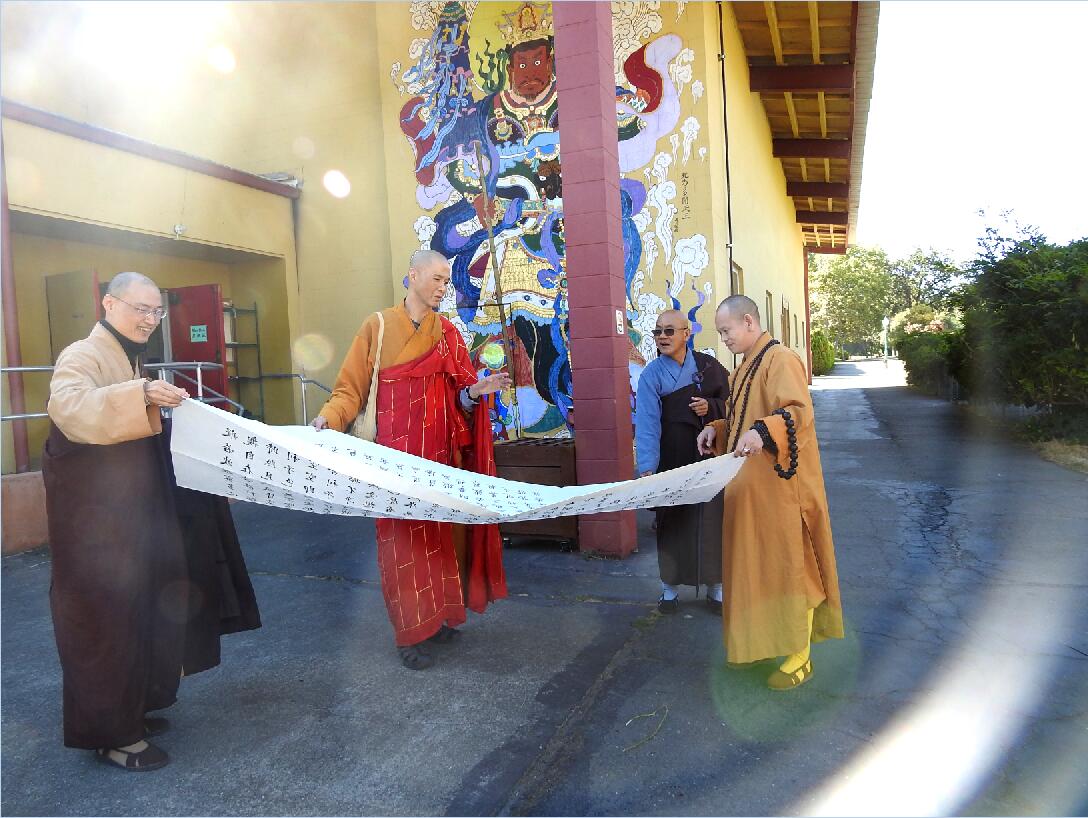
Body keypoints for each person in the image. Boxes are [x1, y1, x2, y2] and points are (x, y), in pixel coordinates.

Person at [43, 272, 261, 771]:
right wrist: (140, 393)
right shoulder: (83, 354)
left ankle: (131, 709)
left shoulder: (128, 358)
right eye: (138, 308)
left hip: (126, 516)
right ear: (108, 304)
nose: (148, 319)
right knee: (105, 621)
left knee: (139, 610)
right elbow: (68, 407)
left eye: (155, 311)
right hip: (94, 528)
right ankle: (113, 735)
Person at [312, 250, 512, 670]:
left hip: (440, 458)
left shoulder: (450, 335)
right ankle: (411, 633)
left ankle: (438, 619)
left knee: (442, 543)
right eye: (436, 279)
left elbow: (460, 396)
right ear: (413, 276)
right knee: (401, 547)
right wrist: (328, 419)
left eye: (446, 282)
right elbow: (350, 389)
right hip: (394, 461)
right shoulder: (378, 326)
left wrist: (478, 391)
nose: (443, 288)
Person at [696, 295, 844, 690]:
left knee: (790, 572)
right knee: (753, 573)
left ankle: (800, 657)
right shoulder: (745, 366)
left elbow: (797, 413)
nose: (723, 338)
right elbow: (748, 420)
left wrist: (762, 432)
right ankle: (757, 646)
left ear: (748, 321)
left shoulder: (781, 359)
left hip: (779, 493)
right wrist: (720, 428)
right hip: (747, 497)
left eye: (726, 330)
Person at [635, 310, 729, 614]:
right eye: (658, 331)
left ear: (686, 334)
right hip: (672, 458)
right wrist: (648, 466)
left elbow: (736, 404)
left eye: (669, 331)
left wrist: (711, 406)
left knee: (712, 520)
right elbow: (648, 423)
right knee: (672, 522)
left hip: (710, 456)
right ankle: (669, 591)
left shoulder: (709, 367)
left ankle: (717, 589)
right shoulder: (652, 374)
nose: (662, 337)